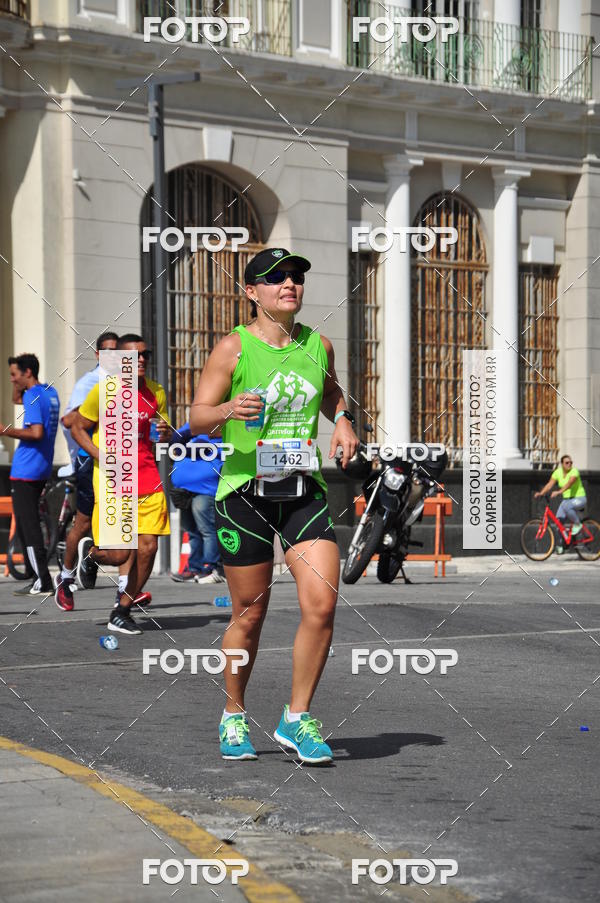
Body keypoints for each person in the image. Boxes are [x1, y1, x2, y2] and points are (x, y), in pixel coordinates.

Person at [190, 247, 358, 764]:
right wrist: (226, 408)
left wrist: (344, 421)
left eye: (295, 277)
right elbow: (196, 417)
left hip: (302, 489)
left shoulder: (318, 345)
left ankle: (297, 717)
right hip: (245, 494)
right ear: (252, 291)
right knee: (250, 614)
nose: (289, 284)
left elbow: (331, 395)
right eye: (276, 277)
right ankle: (233, 714)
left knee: (322, 604)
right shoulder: (233, 348)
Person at [70, 334, 171, 634]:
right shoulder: (103, 391)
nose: (141, 360)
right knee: (119, 555)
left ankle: (122, 610)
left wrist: (165, 433)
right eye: (133, 356)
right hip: (114, 480)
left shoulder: (156, 392)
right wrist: (100, 454)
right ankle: (92, 555)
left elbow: (161, 433)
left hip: (148, 477)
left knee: (148, 547)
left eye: (145, 355)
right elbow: (77, 428)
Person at [54, 332, 119, 611]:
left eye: (118, 351)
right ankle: (65, 578)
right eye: (108, 351)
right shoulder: (90, 383)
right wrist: (95, 404)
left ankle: (125, 591)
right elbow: (69, 420)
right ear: (97, 354)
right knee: (82, 524)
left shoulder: (127, 382)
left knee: (124, 527)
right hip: (89, 462)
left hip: (121, 463)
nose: (114, 356)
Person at [1, 354, 60, 596]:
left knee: (29, 525)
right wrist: (18, 383)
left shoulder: (32, 395)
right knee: (28, 524)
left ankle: (42, 580)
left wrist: (4, 430)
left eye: (14, 375)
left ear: (27, 372)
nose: (12, 379)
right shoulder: (50, 392)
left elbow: (36, 433)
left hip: (26, 470)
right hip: (41, 466)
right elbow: (17, 398)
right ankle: (35, 576)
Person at [169, 424, 225, 584]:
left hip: (205, 489)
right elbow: (174, 443)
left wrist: (190, 436)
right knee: (191, 531)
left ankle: (212, 568)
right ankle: (195, 568)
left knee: (208, 530)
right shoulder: (192, 426)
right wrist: (194, 429)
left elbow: (202, 449)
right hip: (184, 490)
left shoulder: (222, 429)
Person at [535, 454, 587, 541]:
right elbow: (549, 484)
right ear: (562, 464)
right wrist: (541, 493)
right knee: (558, 522)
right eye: (567, 463)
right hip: (567, 500)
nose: (569, 464)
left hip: (579, 498)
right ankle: (562, 544)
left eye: (571, 462)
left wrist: (559, 492)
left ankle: (577, 524)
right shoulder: (557, 472)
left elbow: (569, 483)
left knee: (567, 506)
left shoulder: (574, 471)